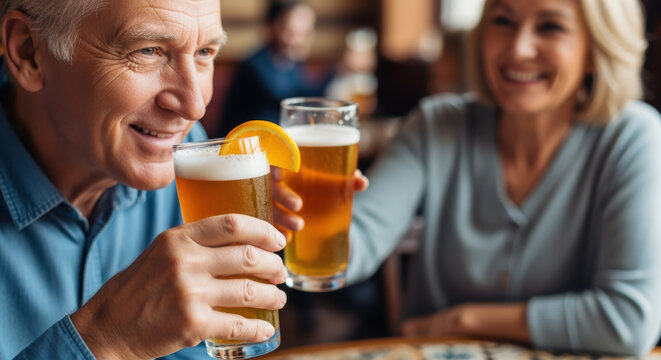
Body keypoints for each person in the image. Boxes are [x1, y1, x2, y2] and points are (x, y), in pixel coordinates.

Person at [275, 0, 661, 356]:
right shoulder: (434, 126)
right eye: (503, 21)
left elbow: (629, 320)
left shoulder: (633, 137)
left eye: (550, 27)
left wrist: (462, 321)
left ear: (597, 48)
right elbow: (357, 241)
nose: (518, 49)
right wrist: (294, 218)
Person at [0, 0, 291, 359]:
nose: (194, 106)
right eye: (148, 50)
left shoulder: (189, 154)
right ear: (28, 51)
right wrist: (105, 340)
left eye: (204, 52)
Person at [216, 0, 331, 137]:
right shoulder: (254, 64)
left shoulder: (292, 64)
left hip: (272, 141)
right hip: (243, 145)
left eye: (306, 33)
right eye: (292, 32)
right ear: (272, 28)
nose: (300, 41)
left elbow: (308, 98)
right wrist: (338, 69)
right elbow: (287, 100)